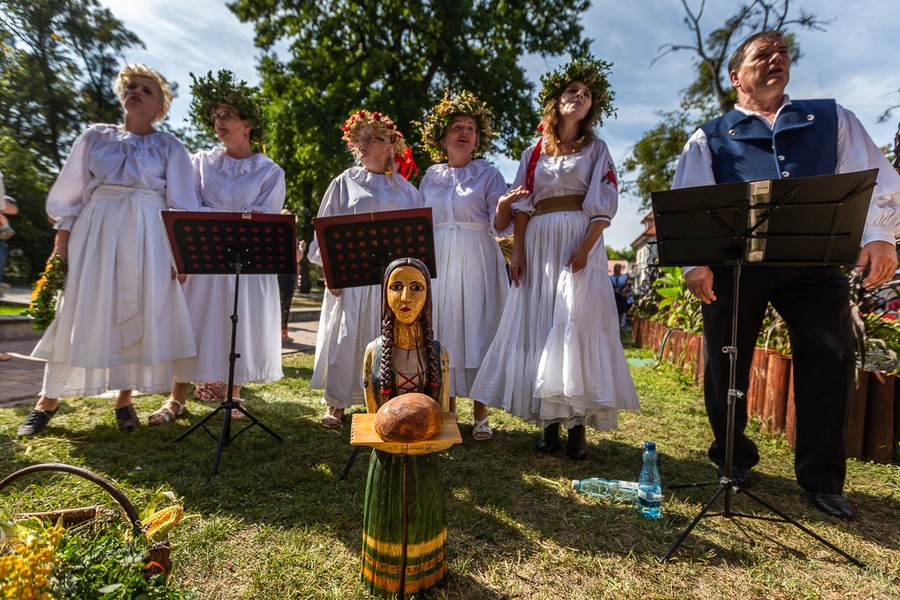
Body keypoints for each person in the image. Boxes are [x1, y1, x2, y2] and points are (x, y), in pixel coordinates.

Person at [672, 31, 900, 518]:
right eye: (762, 54)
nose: (777, 59)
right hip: (737, 269)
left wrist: (880, 235)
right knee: (724, 364)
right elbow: (689, 199)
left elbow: (877, 176)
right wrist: (695, 266)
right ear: (736, 76)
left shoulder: (832, 120)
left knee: (830, 360)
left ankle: (822, 479)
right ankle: (732, 459)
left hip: (814, 266)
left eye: (782, 53)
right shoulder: (708, 136)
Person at [470, 56, 640, 459]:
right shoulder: (534, 153)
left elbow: (604, 203)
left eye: (586, 94)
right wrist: (518, 253)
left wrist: (584, 248)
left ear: (591, 107)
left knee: (574, 324)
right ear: (556, 101)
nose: (579, 97)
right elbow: (523, 207)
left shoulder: (596, 149)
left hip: (578, 242)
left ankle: (577, 424)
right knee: (543, 324)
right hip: (539, 243)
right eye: (572, 91)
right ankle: (548, 422)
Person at [17, 64, 201, 437]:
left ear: (159, 107)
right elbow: (71, 194)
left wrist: (180, 255)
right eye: (131, 86)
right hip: (96, 229)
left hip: (149, 234)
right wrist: (61, 241)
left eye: (146, 90)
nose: (136, 91)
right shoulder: (95, 138)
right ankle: (47, 400)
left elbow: (183, 204)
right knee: (81, 307)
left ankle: (124, 399)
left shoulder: (169, 146)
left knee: (135, 307)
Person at [148, 70, 285, 426]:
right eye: (215, 116)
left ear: (247, 123)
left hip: (246, 259)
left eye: (226, 115)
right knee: (191, 320)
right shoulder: (200, 162)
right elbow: (185, 205)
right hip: (204, 254)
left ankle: (234, 395)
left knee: (238, 320)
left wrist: (217, 214)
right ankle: (176, 398)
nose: (218, 122)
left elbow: (266, 217)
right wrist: (229, 216)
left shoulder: (270, 171)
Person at [309, 109, 420, 428]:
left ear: (390, 146)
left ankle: (388, 400)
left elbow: (416, 237)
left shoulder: (407, 191)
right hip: (353, 275)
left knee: (389, 337)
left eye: (374, 138)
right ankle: (338, 403)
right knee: (347, 335)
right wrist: (330, 271)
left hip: (393, 280)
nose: (364, 144)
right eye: (360, 139)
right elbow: (325, 228)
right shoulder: (345, 182)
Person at [417, 89, 510, 440]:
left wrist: (505, 203)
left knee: (477, 326)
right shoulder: (430, 177)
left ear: (477, 139)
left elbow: (500, 224)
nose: (464, 131)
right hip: (437, 257)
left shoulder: (488, 175)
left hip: (477, 256)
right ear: (443, 137)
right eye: (457, 125)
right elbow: (420, 220)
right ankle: (447, 408)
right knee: (445, 328)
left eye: (471, 127)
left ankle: (482, 414)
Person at [360, 257, 450, 597]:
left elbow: (441, 408)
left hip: (425, 460)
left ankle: (425, 573)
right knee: (388, 520)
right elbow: (372, 412)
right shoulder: (373, 351)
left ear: (428, 296)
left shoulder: (438, 353)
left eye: (416, 287)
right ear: (385, 295)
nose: (405, 297)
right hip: (385, 462)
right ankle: (384, 574)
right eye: (396, 287)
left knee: (422, 517)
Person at [610, 262, 631, 329]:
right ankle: (614, 325)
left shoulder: (624, 277)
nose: (618, 269)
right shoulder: (610, 277)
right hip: (613, 296)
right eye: (617, 268)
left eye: (619, 268)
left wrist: (623, 291)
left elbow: (627, 286)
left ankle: (621, 325)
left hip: (622, 296)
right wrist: (615, 290)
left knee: (622, 311)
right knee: (613, 311)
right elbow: (609, 286)